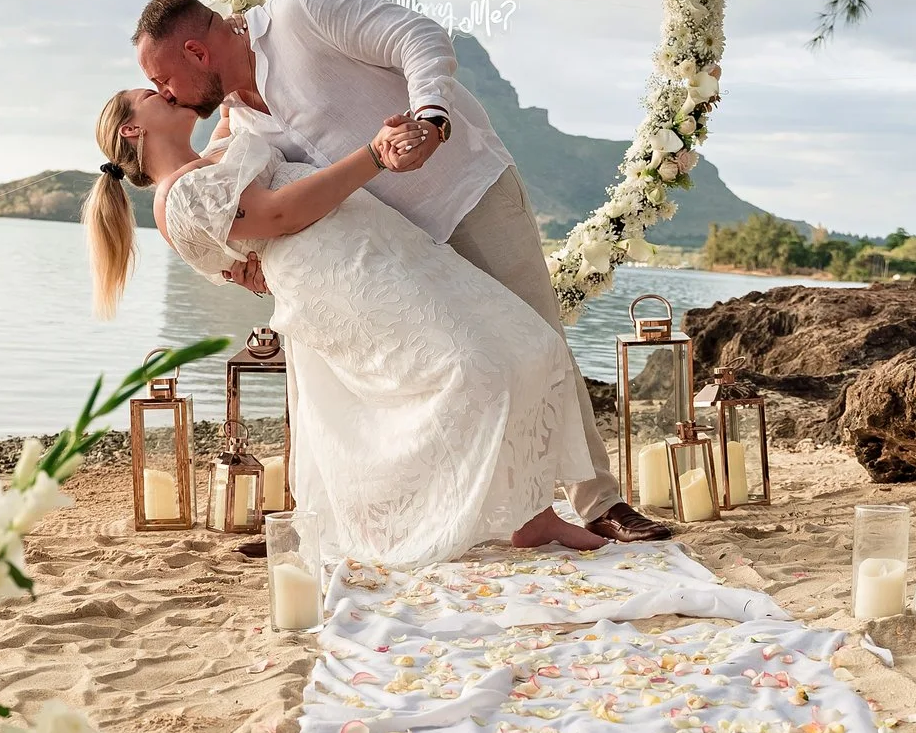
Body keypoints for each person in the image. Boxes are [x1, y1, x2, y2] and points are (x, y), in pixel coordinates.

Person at [130, 0, 670, 544]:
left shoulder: (303, 15)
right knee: (354, 378)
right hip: (390, 256)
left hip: (464, 195)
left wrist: (433, 120)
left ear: (197, 52)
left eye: (163, 79)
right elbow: (215, 203)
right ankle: (327, 518)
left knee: (536, 335)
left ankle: (600, 502)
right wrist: (230, 266)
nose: (162, 92)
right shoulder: (235, 121)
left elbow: (419, 37)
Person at [86, 88, 603, 568]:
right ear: (132, 130)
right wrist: (373, 156)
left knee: (531, 344)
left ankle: (535, 514)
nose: (168, 92)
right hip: (341, 277)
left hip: (381, 243)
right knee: (466, 368)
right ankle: (407, 519)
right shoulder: (179, 197)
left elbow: (232, 114)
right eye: (152, 93)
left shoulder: (211, 158)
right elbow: (279, 214)